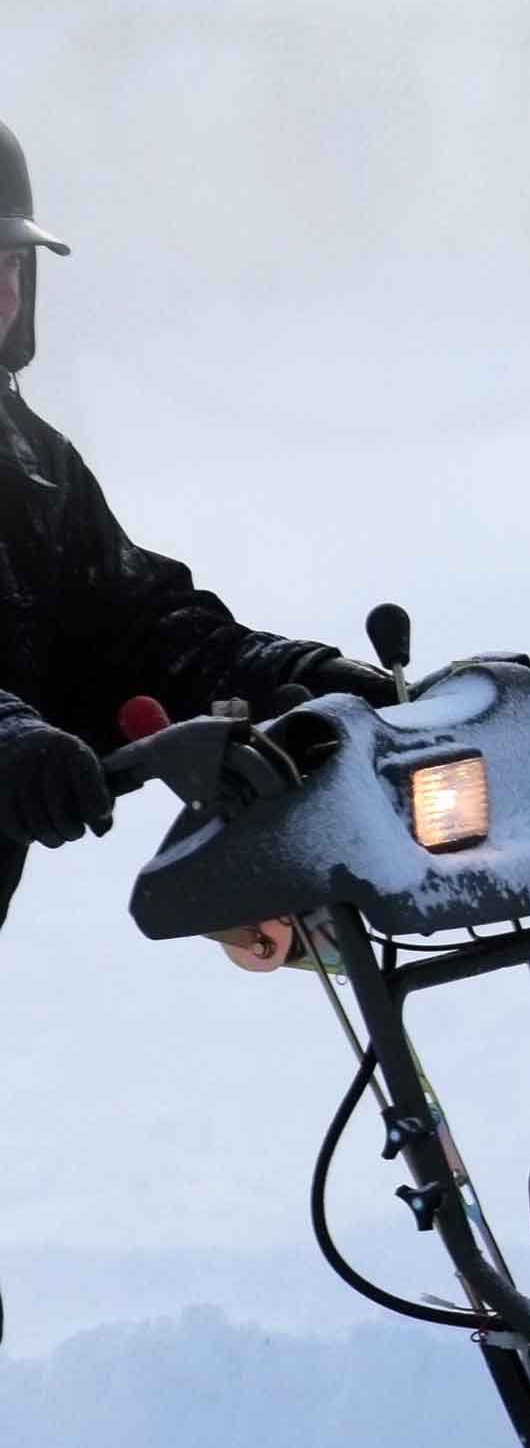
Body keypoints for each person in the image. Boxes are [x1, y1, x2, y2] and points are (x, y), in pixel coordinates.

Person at [0, 119, 387, 927]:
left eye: (8, 265)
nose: (0, 296)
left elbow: (135, 628)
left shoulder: (33, 462)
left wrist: (298, 676)